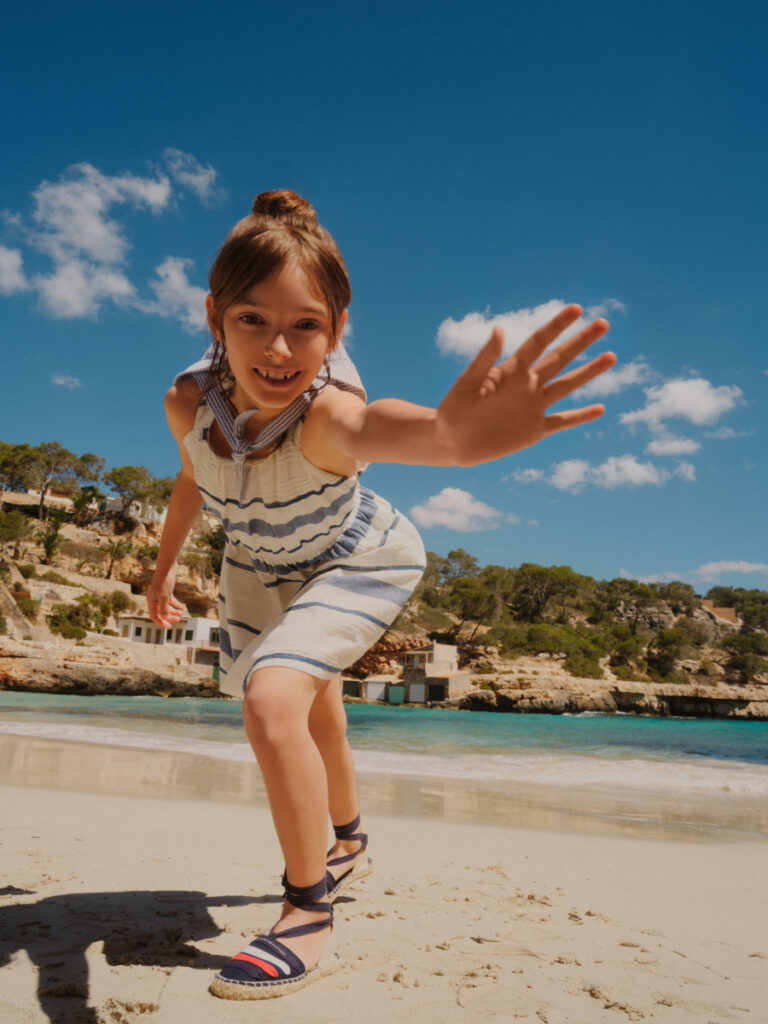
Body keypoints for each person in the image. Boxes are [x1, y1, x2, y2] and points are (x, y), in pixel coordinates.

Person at [147, 190, 615, 1000]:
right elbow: (192, 482)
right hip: (259, 566)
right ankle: (350, 837)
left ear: (338, 327)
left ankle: (306, 910)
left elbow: (405, 431)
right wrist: (160, 573)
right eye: (254, 320)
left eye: (308, 325)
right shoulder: (187, 402)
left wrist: (456, 437)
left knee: (271, 700)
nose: (280, 348)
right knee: (312, 704)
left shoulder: (328, 414)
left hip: (355, 560)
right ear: (214, 314)